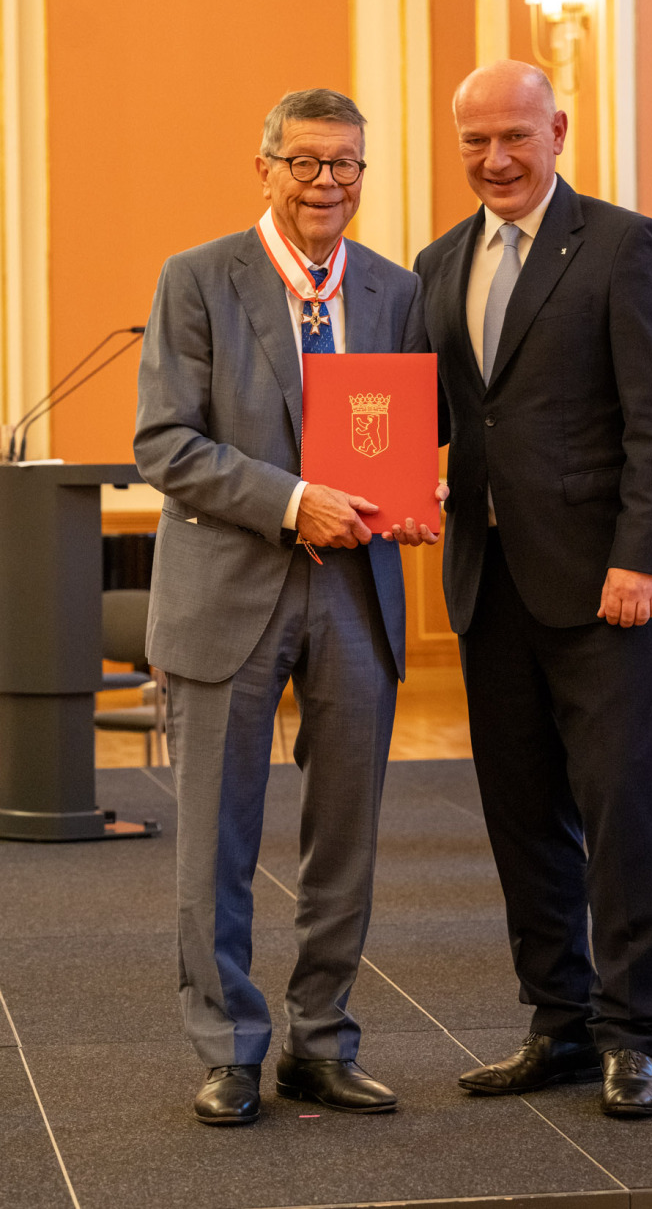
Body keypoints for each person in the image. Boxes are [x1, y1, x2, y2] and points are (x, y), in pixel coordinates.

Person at [135, 88, 442, 1126]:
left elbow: (395, 436)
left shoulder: (395, 291)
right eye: (306, 163)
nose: (327, 184)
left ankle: (321, 1043)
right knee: (216, 838)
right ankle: (228, 1047)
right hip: (228, 590)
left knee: (344, 838)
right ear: (264, 166)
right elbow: (165, 444)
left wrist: (405, 499)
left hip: (356, 596)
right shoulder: (198, 278)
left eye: (346, 165)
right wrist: (293, 504)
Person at [414, 60, 652, 1119]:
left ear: (557, 130)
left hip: (602, 587)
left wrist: (639, 557)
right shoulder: (440, 264)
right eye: (474, 142)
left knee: (620, 811)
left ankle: (633, 1035)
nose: (494, 159)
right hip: (488, 585)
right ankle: (558, 1023)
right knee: (521, 816)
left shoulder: (622, 245)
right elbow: (435, 419)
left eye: (513, 138)